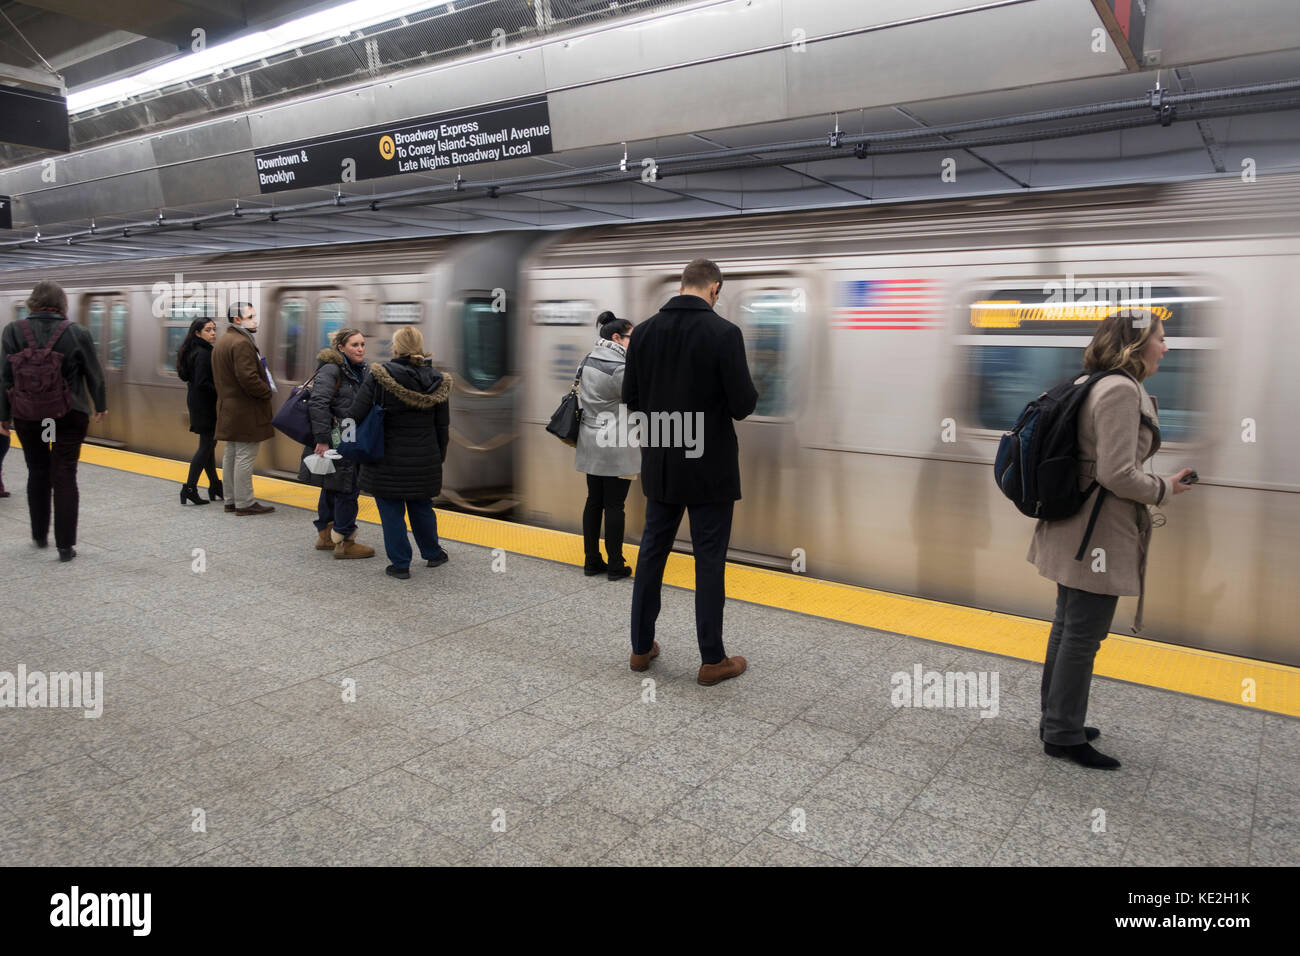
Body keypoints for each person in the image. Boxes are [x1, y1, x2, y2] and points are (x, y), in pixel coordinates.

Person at [1028, 309, 1193, 770]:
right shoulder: (1120, 389)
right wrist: (1166, 488)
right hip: (1095, 533)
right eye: (1161, 337)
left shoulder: (1096, 381)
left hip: (1079, 525)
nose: (1166, 346)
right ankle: (1062, 733)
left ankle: (1057, 719)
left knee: (1069, 627)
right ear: (1138, 344)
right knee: (1081, 634)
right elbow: (1117, 473)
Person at [622, 259, 758, 685]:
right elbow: (742, 405)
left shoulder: (642, 333)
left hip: (661, 464)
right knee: (709, 561)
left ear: (682, 286)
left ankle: (641, 649)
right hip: (710, 470)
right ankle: (711, 659)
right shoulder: (724, 334)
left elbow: (632, 399)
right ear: (715, 288)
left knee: (651, 554)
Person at [0, 280, 108, 561]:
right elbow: (94, 373)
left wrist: (3, 417)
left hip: (28, 415)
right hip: (68, 414)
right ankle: (65, 546)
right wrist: (101, 405)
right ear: (63, 305)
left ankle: (38, 534)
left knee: (37, 470)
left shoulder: (13, 330)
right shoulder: (77, 332)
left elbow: (4, 378)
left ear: (31, 304)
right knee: (64, 474)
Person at [346, 325, 451, 579]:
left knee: (391, 510)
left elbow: (354, 415)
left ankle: (401, 564)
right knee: (422, 506)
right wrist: (438, 457)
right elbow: (442, 426)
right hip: (424, 458)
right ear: (420, 348)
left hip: (385, 458)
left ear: (395, 348)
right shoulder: (438, 380)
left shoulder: (380, 375)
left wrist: (344, 442)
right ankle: (433, 553)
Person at [299, 328, 374, 559]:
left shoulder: (358, 370)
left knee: (333, 486)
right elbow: (318, 403)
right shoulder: (332, 369)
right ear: (340, 347)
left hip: (349, 435)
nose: (360, 349)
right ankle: (345, 541)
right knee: (347, 487)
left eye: (362, 344)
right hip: (337, 437)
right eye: (354, 345)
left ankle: (325, 535)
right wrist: (321, 439)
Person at [575, 311, 639, 579]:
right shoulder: (620, 368)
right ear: (616, 337)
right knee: (615, 505)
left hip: (590, 439)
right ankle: (615, 565)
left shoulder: (587, 360)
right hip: (615, 443)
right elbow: (637, 400)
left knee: (594, 501)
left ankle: (592, 561)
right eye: (631, 338)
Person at [211, 301, 275, 516]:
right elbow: (248, 377)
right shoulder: (241, 343)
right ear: (237, 320)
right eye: (250, 316)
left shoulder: (223, 341)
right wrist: (266, 392)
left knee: (231, 455)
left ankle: (230, 500)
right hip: (245, 410)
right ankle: (245, 503)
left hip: (229, 408)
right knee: (245, 457)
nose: (256, 320)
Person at [176, 317, 221, 505]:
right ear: (197, 333)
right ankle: (189, 488)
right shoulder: (203, 353)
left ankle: (215, 486)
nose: (213, 333)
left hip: (198, 403)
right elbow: (203, 382)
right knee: (206, 447)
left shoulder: (195, 350)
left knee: (209, 447)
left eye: (214, 329)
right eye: (208, 330)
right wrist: (221, 389)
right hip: (205, 405)